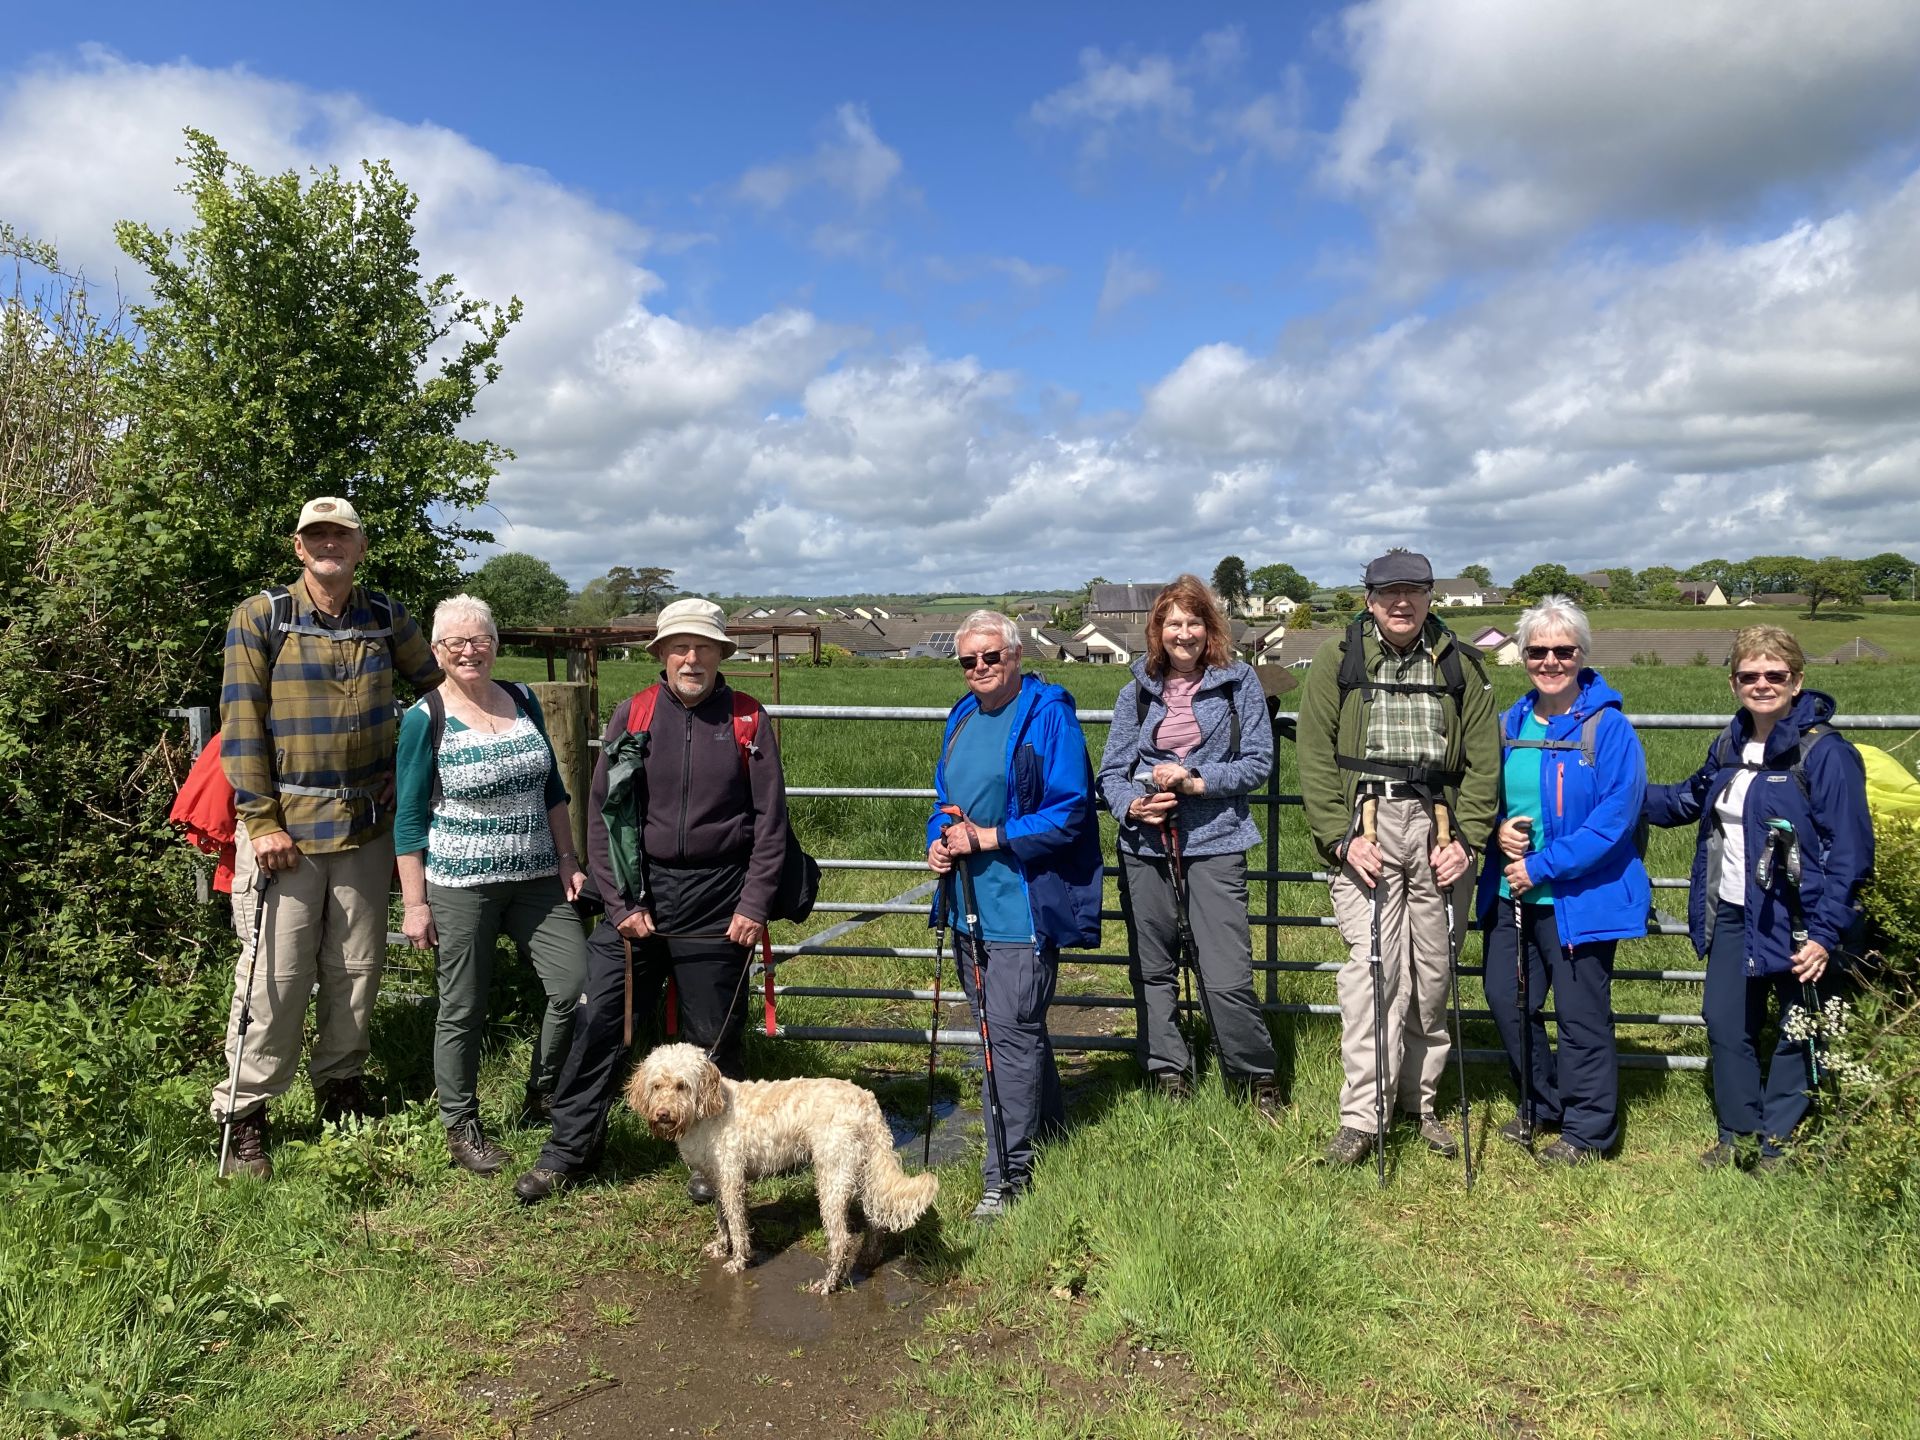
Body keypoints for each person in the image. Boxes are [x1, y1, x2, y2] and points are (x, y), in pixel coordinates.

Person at [514, 597, 795, 1203]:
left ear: (722, 654)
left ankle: (714, 1157)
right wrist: (619, 905)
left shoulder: (748, 720)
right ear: (662, 655)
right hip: (640, 889)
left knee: (713, 1035)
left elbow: (771, 821)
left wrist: (753, 905)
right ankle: (568, 1151)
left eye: (703, 647)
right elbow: (602, 814)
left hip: (720, 895)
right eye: (679, 646)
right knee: (598, 1023)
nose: (691, 658)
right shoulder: (634, 714)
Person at [211, 496, 442, 1178]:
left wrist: (414, 771)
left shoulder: (384, 617)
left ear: (360, 547)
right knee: (274, 980)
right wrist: (259, 820)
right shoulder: (263, 617)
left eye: (341, 536)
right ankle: (245, 1114)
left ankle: (341, 1089)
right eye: (317, 536)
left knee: (357, 971)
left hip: (365, 829)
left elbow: (436, 694)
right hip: (284, 833)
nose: (329, 546)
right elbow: (242, 722)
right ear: (298, 547)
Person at [1296, 549, 1499, 1168]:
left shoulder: (1464, 665)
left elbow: (1484, 762)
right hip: (1368, 826)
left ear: (1431, 595)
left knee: (1432, 974)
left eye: (1413, 591)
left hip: (1440, 829)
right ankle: (1363, 1117)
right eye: (1388, 594)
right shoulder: (1338, 660)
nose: (1401, 603)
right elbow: (1315, 754)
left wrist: (1467, 841)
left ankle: (1421, 1102)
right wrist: (1339, 838)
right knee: (1373, 974)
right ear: (1369, 600)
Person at [1644, 625, 1873, 1170]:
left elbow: (1850, 851)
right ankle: (1738, 1134)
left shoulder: (1824, 753)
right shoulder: (1728, 744)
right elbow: (1685, 801)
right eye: (1751, 675)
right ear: (1733, 683)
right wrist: (1612, 793)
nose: (1763, 684)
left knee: (1800, 1025)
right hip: (1732, 910)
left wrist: (1824, 932)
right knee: (1725, 1023)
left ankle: (1779, 1141)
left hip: (1799, 916)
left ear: (1798, 682)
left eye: (1776, 675)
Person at [394, 594, 589, 1175]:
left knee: (574, 984)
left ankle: (544, 1092)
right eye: (455, 642)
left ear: (496, 645)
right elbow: (408, 817)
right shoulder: (425, 718)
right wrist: (415, 904)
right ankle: (461, 1125)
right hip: (461, 884)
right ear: (437, 651)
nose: (469, 650)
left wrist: (567, 859)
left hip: (536, 879)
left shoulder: (524, 698)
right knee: (462, 1006)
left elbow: (553, 789)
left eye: (480, 639)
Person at [926, 611, 1103, 1220]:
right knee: (1011, 1033)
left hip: (1021, 905)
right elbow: (943, 801)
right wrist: (940, 837)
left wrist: (992, 837)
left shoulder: (1048, 715)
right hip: (966, 906)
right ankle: (1047, 1135)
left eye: (989, 657)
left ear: (1017, 655)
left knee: (1006, 1040)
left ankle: (1007, 1178)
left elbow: (1069, 810)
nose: (978, 669)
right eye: (968, 661)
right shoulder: (961, 716)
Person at [1096, 575, 1281, 1119]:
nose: (1184, 633)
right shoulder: (1135, 689)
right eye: (1173, 622)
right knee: (1153, 967)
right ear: (1158, 630)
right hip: (1144, 844)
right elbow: (1112, 771)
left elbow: (1258, 763)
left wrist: (1195, 782)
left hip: (1216, 838)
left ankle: (1254, 1076)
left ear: (1210, 628)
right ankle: (1168, 1071)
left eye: (1193, 622)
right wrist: (1133, 804)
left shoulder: (1237, 682)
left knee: (1225, 973)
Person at [1474, 596, 1649, 1166]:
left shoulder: (1610, 729)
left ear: (1582, 654)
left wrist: (1541, 865)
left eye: (1563, 650)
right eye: (1538, 651)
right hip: (1512, 893)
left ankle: (1588, 1130)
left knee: (1580, 1016)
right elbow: (1485, 799)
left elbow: (1614, 821)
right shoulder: (1508, 724)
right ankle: (1541, 1103)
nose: (1550, 661)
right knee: (1508, 1000)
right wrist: (1499, 833)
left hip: (1581, 897)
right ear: (1522, 655)